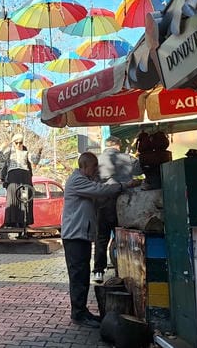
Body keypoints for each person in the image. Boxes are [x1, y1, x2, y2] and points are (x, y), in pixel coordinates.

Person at [61, 152, 139, 328]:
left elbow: (99, 191)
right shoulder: (77, 181)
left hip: (81, 235)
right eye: (94, 166)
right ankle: (79, 314)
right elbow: (100, 190)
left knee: (81, 275)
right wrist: (123, 185)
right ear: (85, 165)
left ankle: (81, 311)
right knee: (78, 276)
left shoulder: (85, 181)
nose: (96, 169)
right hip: (75, 236)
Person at [93, 136, 143, 283]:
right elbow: (141, 168)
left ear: (106, 145)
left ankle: (98, 272)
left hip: (102, 205)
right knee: (122, 238)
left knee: (101, 238)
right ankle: (122, 270)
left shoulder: (97, 160)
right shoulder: (127, 158)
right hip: (124, 205)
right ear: (118, 145)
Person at [0, 133, 41, 228]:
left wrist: (39, 153)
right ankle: (12, 221)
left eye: (20, 143)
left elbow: (34, 161)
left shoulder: (26, 152)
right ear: (13, 143)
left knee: (24, 198)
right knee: (12, 198)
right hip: (13, 176)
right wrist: (1, 149)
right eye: (16, 143)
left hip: (25, 176)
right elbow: (1, 159)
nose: (18, 145)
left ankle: (24, 221)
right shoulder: (9, 152)